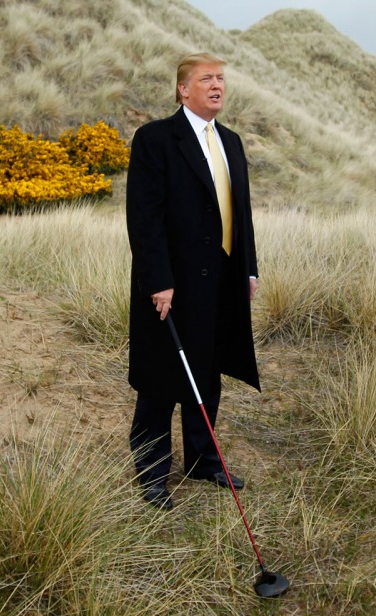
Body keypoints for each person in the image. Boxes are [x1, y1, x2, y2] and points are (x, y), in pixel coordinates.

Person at [125, 52, 261, 510]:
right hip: (172, 283)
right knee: (161, 376)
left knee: (208, 370)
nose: (217, 85)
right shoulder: (155, 139)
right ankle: (151, 472)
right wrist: (157, 280)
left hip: (220, 280)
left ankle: (202, 459)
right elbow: (143, 218)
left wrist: (248, 268)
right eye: (207, 79)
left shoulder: (232, 142)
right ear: (183, 89)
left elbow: (239, 213)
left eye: (221, 78)